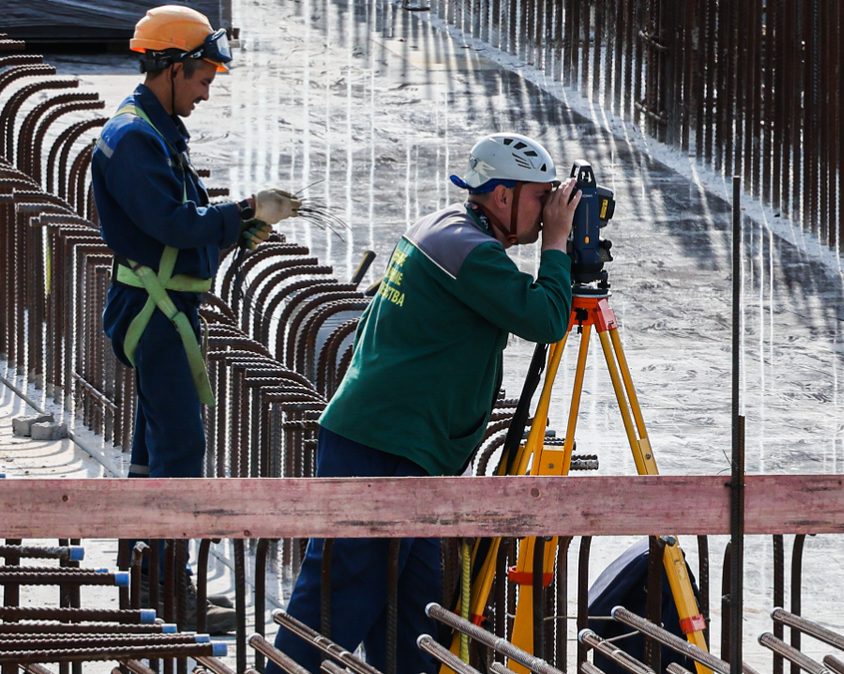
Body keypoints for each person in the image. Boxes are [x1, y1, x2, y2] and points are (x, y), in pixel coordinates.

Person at [268, 133, 580, 672]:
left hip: (398, 442)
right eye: (540, 196)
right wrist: (557, 245)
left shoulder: (443, 229)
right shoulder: (472, 252)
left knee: (414, 610)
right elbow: (547, 319)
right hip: (384, 445)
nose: (551, 208)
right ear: (501, 197)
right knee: (340, 594)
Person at [91, 5, 301, 633]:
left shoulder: (153, 130)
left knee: (154, 450)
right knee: (180, 449)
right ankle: (167, 594)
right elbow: (174, 225)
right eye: (204, 78)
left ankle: (144, 578)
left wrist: (241, 227)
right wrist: (241, 211)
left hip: (158, 308)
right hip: (154, 316)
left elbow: (181, 225)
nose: (208, 92)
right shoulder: (134, 139)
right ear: (173, 68)